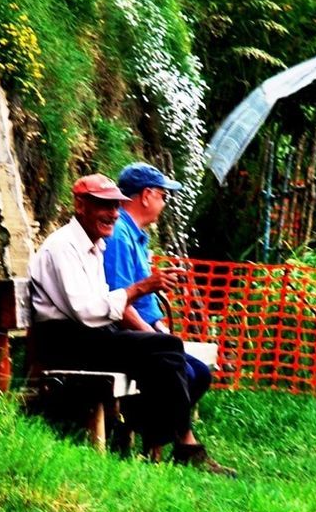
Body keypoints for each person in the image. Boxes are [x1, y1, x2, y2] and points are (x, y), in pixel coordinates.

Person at [29, 173, 235, 475]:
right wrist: (141, 288)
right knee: (164, 347)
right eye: (104, 205)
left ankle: (163, 444)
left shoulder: (93, 245)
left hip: (87, 335)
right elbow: (86, 311)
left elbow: (98, 306)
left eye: (116, 206)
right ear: (80, 205)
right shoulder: (63, 247)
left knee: (167, 353)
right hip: (65, 343)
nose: (113, 213)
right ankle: (180, 444)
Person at [102, 161, 213, 415]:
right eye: (163, 196)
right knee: (184, 371)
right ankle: (168, 439)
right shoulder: (119, 235)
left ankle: (161, 438)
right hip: (123, 334)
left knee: (201, 373)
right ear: (146, 195)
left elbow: (142, 301)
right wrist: (154, 338)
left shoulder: (137, 236)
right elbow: (119, 301)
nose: (164, 203)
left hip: (141, 332)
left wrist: (160, 330)